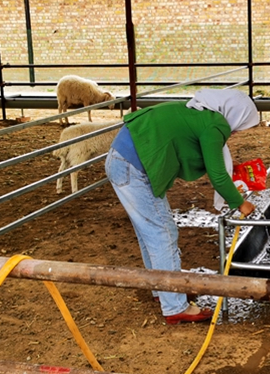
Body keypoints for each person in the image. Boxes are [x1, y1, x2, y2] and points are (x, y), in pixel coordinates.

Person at [105, 89, 259, 324]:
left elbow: (206, 158)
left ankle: (165, 290)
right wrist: (240, 203)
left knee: (152, 232)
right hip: (132, 166)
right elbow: (217, 174)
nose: (237, 131)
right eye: (242, 124)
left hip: (125, 160)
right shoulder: (215, 125)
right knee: (162, 233)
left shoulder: (202, 115)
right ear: (236, 115)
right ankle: (175, 306)